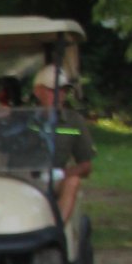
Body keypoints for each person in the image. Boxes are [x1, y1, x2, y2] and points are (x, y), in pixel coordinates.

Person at [30, 64, 95, 224]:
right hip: (24, 177)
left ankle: (57, 228)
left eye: (64, 91)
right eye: (53, 90)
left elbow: (86, 167)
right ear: (38, 91)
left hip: (55, 178)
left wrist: (60, 173)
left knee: (73, 182)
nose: (60, 95)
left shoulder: (73, 121)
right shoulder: (23, 118)